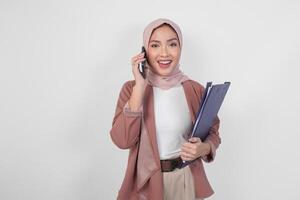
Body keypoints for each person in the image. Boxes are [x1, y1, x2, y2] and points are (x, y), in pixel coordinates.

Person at [110, 18, 221, 200]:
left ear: (180, 48)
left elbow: (213, 130)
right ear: (144, 51)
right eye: (155, 45)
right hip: (147, 183)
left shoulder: (194, 89)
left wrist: (205, 148)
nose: (164, 53)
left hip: (185, 179)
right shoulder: (132, 90)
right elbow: (122, 141)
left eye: (172, 44)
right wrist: (139, 87)